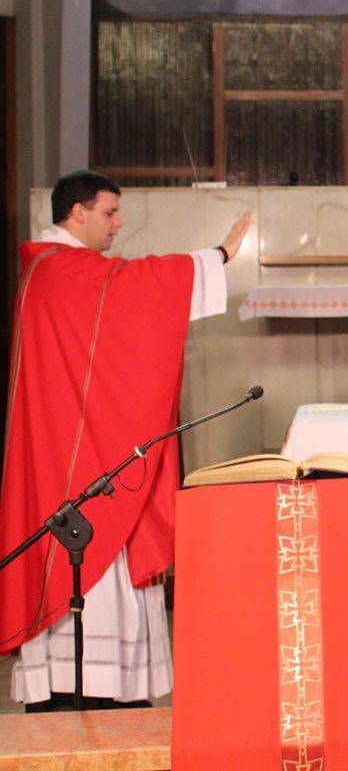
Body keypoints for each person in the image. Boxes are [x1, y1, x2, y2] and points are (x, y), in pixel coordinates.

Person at [0, 170, 251, 710]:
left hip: (79, 434)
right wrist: (217, 256)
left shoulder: (57, 269)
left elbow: (121, 310)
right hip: (70, 452)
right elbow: (136, 289)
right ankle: (89, 692)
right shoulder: (57, 269)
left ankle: (105, 690)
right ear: (77, 213)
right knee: (89, 548)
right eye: (109, 212)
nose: (118, 224)